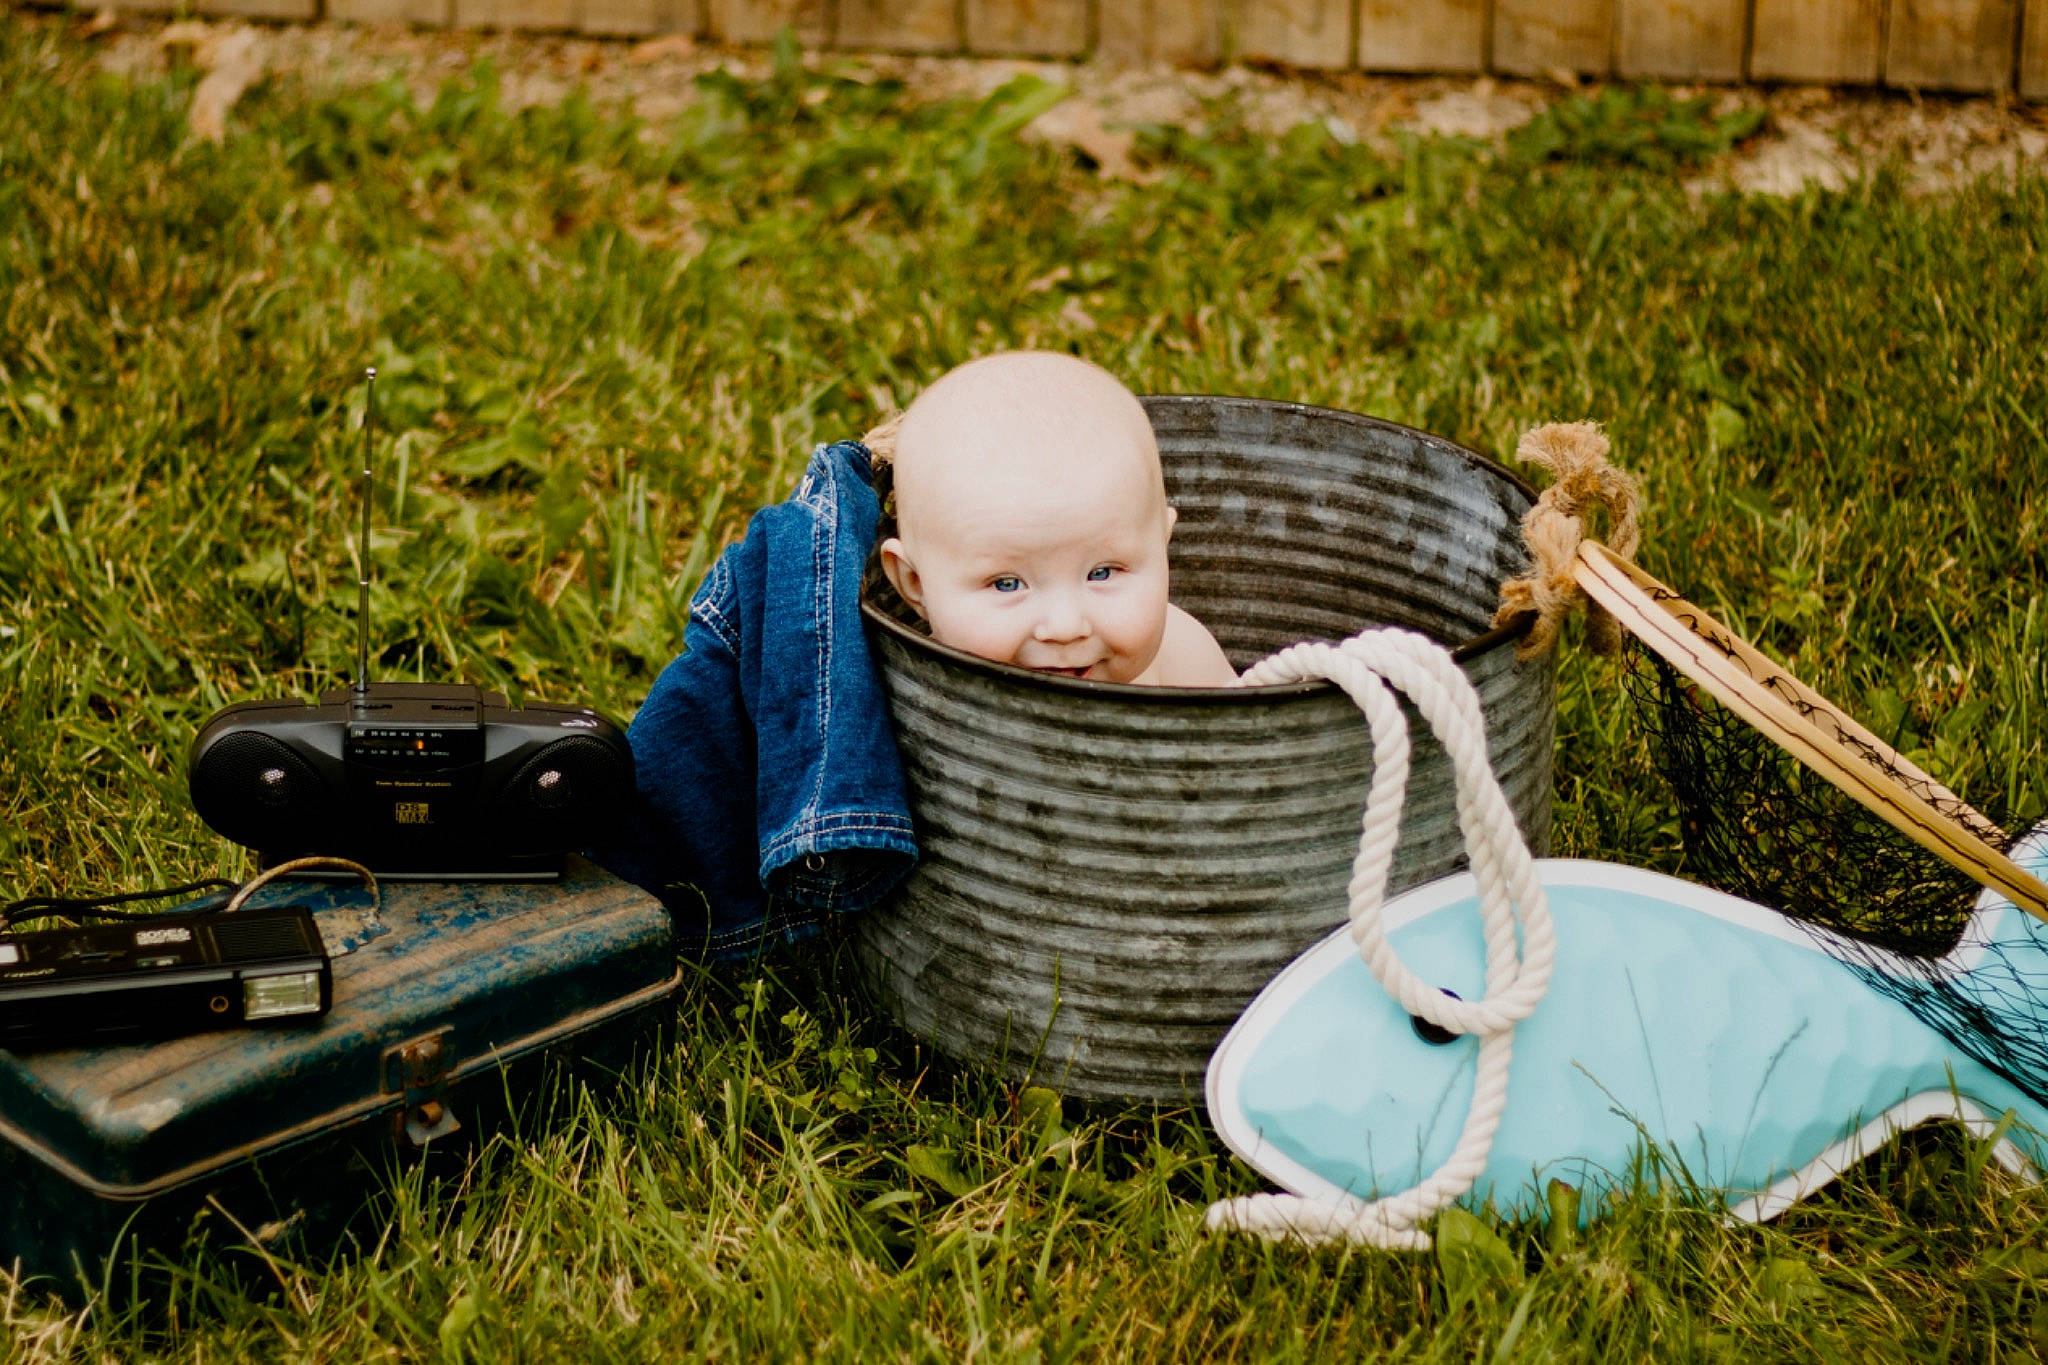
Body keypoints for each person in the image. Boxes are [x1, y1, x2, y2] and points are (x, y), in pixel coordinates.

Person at [875, 351, 1238, 688]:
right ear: (915, 583)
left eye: (1102, 573)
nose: (1065, 627)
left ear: (1162, 547)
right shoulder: (897, 687)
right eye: (1006, 584)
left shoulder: (1185, 657)